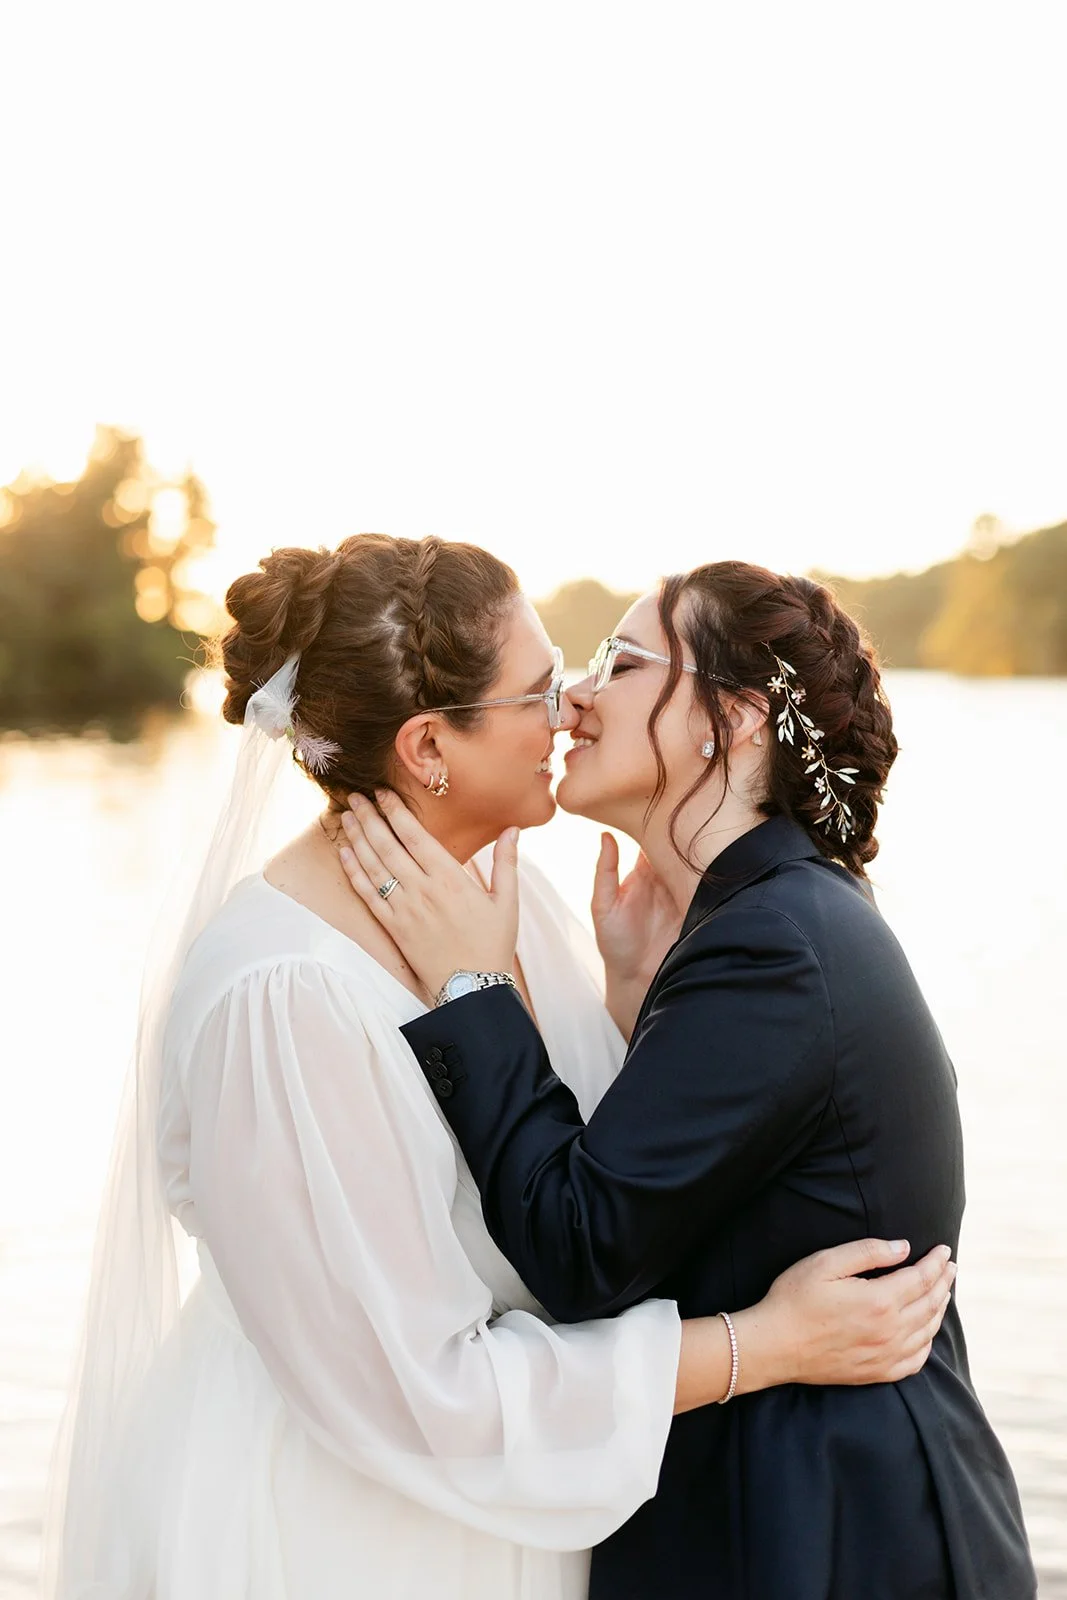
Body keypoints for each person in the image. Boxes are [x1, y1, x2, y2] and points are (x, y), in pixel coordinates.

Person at [44, 536, 954, 1600]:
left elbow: (595, 1187)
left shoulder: (502, 908)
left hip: (519, 1511)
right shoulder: (280, 997)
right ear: (431, 747)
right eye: (535, 690)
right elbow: (422, 1387)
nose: (567, 708)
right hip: (353, 1539)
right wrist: (758, 1344)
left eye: (586, 668)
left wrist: (623, 1006)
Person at [337, 558, 1037, 1600]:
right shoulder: (763, 918)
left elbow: (579, 1244)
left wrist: (469, 986)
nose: (573, 696)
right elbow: (704, 1191)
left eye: (618, 663)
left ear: (732, 716)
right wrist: (633, 1002)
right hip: (802, 1498)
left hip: (827, 1526)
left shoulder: (771, 945)